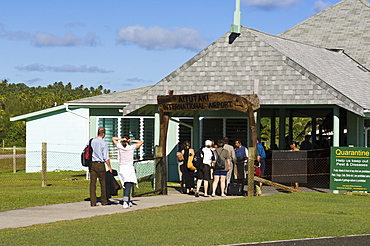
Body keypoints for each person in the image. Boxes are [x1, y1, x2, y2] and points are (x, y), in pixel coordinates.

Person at [112, 135, 143, 209]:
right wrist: (132, 141)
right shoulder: (131, 147)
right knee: (128, 184)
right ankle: (125, 202)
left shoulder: (120, 146)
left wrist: (121, 139)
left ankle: (127, 200)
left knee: (126, 184)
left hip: (122, 168)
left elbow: (113, 139)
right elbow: (141, 142)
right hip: (129, 167)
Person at [88, 128, 112, 207]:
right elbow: (106, 157)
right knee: (103, 183)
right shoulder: (103, 143)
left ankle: (93, 202)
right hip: (100, 164)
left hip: (92, 164)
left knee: (92, 184)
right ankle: (104, 200)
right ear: (103, 134)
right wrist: (109, 167)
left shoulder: (91, 141)